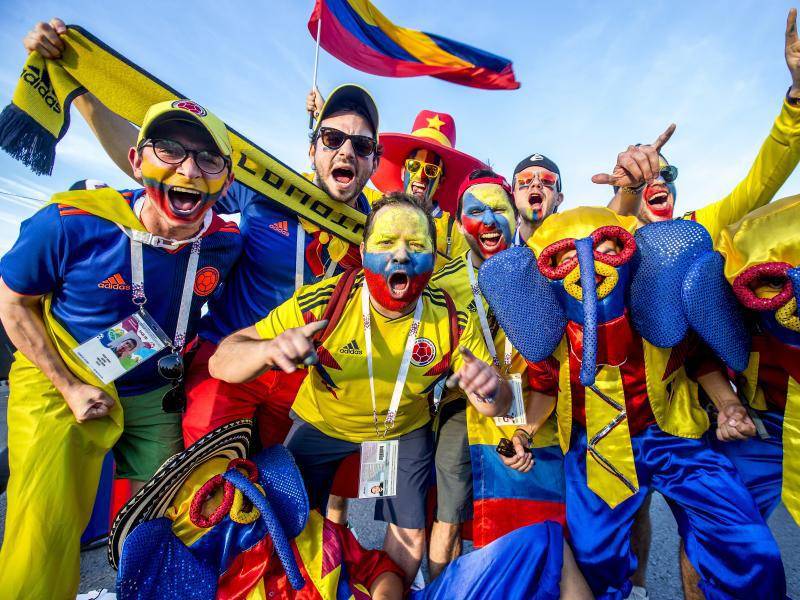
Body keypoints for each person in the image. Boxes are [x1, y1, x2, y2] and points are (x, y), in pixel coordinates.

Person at [21, 19, 382, 453]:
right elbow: (163, 173)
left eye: (361, 146)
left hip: (303, 379)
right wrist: (78, 84)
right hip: (227, 360)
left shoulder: (378, 229)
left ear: (374, 162)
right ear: (312, 148)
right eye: (332, 138)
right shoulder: (270, 190)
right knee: (200, 493)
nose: (346, 151)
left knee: (266, 496)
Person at [0, 99, 242, 599]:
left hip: (155, 388)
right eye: (169, 150)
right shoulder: (71, 222)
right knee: (41, 529)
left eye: (207, 159)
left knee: (171, 518)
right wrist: (67, 386)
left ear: (225, 179)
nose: (189, 169)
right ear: (135, 160)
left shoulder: (225, 243)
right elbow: (13, 304)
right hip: (61, 377)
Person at [480, 206, 787, 599]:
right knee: (594, 558)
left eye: (605, 248)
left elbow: (696, 358)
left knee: (742, 537)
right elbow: (544, 386)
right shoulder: (551, 330)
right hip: (596, 449)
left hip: (674, 437)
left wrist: (727, 404)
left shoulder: (657, 309)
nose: (587, 266)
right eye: (569, 258)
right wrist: (525, 431)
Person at [209, 193, 514, 583]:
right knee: (288, 526)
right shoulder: (329, 299)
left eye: (417, 245)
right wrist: (268, 350)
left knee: (410, 534)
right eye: (386, 243)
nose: (401, 255)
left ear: (434, 258)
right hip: (323, 424)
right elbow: (222, 360)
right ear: (363, 249)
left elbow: (498, 404)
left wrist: (490, 388)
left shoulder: (449, 316)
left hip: (401, 431)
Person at [113, 421, 592, 600]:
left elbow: (378, 567)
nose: (233, 493)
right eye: (209, 497)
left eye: (232, 477)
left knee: (544, 543)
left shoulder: (301, 529)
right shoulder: (197, 584)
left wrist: (386, 595)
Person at [426, 169, 565, 579]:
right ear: (457, 221)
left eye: (497, 209)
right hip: (460, 410)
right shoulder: (443, 282)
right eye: (475, 211)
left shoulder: (539, 263)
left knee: (527, 520)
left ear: (514, 213)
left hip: (533, 405)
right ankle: (445, 589)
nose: (487, 220)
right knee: (449, 516)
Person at [712, 195, 800, 525]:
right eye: (776, 281)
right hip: (759, 424)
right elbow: (700, 355)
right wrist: (727, 404)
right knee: (725, 531)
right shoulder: (725, 300)